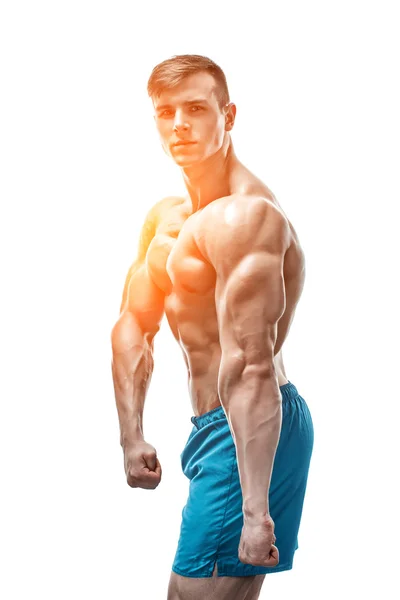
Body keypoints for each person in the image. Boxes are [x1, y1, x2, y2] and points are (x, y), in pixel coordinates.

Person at [111, 54, 314, 600]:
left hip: (250, 424)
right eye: (165, 112)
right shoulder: (165, 217)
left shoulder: (246, 219)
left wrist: (256, 514)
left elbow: (250, 367)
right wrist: (131, 435)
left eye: (196, 109)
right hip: (208, 429)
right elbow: (134, 323)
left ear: (228, 115)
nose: (179, 124)